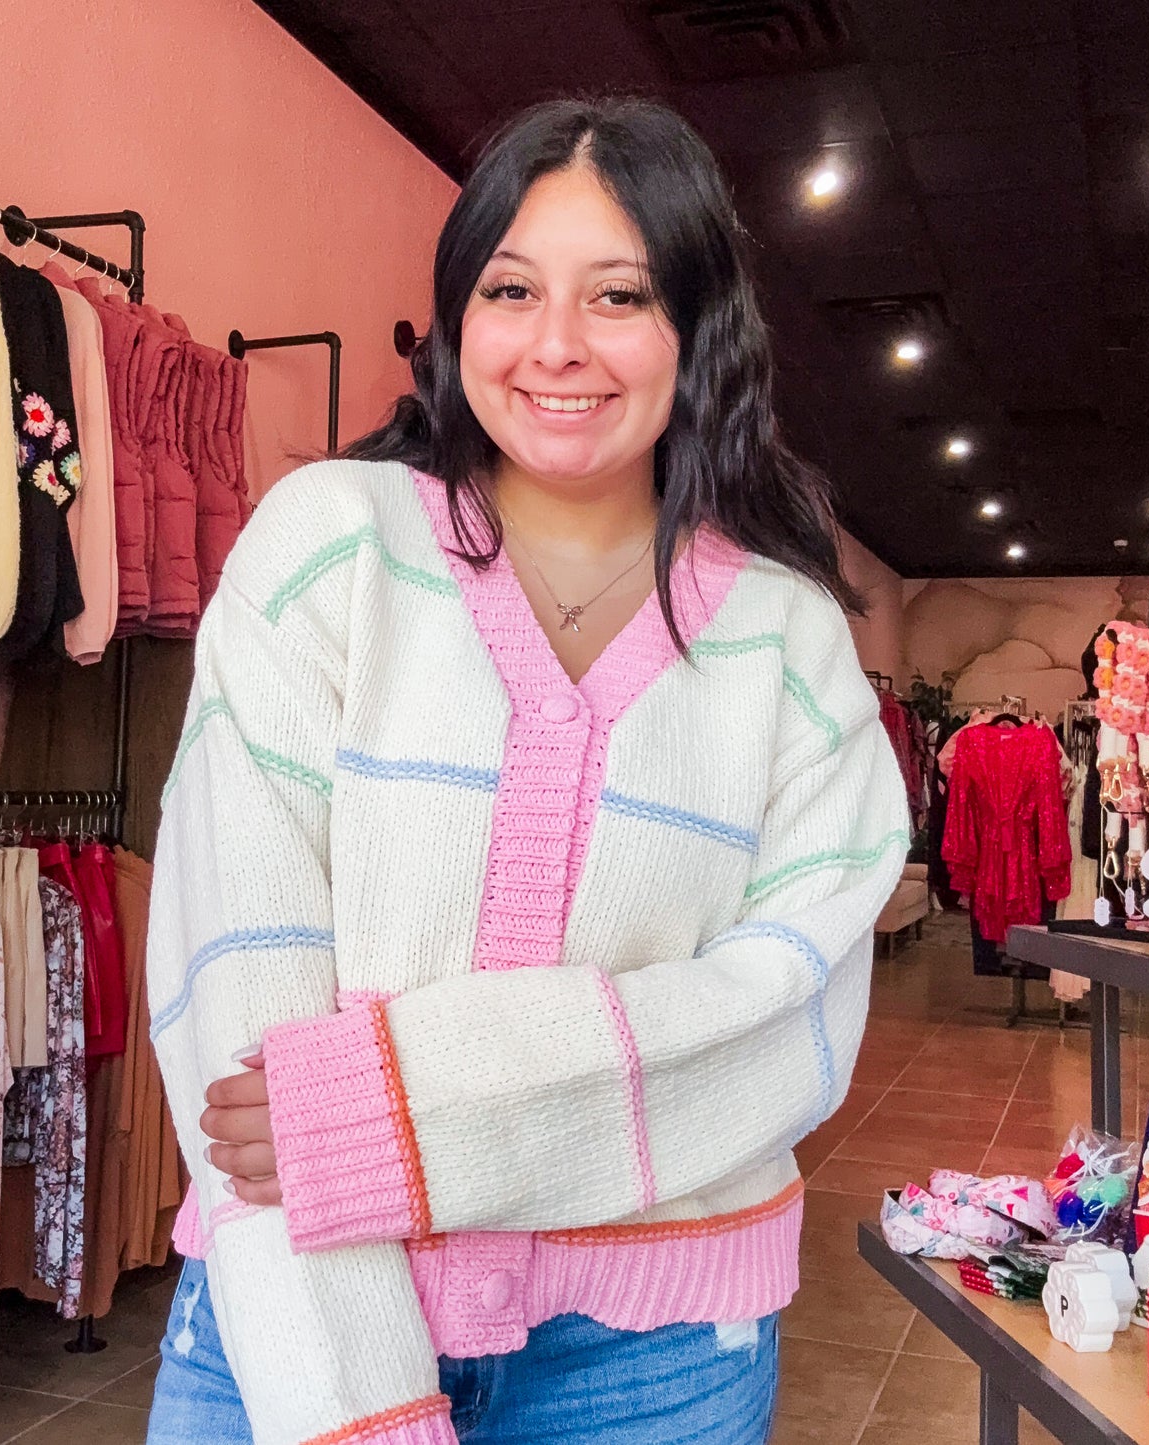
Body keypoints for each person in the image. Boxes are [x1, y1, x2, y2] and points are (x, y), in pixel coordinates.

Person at [145, 95, 908, 1445]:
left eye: (618, 294)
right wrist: (351, 1396)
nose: (556, 345)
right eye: (510, 288)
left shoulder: (787, 639)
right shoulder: (327, 549)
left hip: (657, 1359)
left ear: (697, 329)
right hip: (290, 1323)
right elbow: (237, 999)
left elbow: (779, 1025)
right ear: (454, 319)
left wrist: (396, 1111)